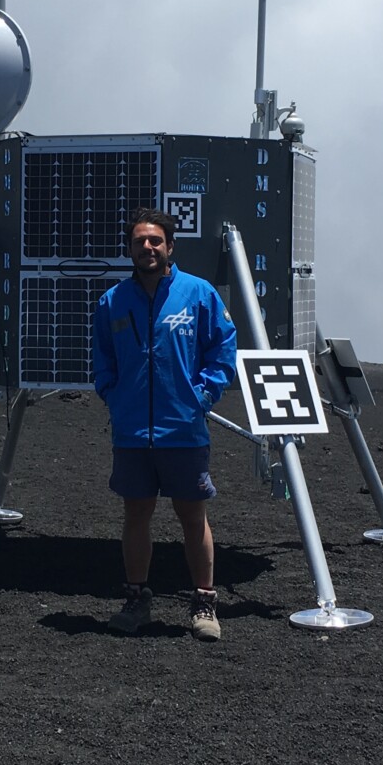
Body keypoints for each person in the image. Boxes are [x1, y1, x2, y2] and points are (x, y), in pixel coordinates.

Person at [90, 206, 237, 640]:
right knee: (136, 513)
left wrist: (203, 396)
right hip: (132, 431)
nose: (148, 247)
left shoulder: (199, 294)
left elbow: (223, 349)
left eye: (155, 240)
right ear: (130, 249)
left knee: (192, 515)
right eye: (140, 241)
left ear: (170, 246)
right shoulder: (112, 302)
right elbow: (102, 357)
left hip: (183, 429)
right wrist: (111, 393)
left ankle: (205, 604)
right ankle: (137, 601)